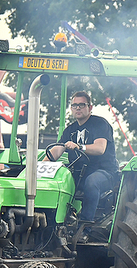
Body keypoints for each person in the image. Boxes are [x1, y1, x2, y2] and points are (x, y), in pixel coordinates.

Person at [47, 91, 119, 222]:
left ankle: (85, 225)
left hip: (105, 173)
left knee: (92, 182)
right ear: (71, 108)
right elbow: (57, 150)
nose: (78, 108)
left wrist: (79, 146)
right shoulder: (70, 130)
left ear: (90, 107)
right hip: (79, 173)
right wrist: (39, 166)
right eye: (74, 105)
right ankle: (55, 222)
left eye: (82, 104)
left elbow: (100, 148)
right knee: (57, 180)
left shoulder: (100, 124)